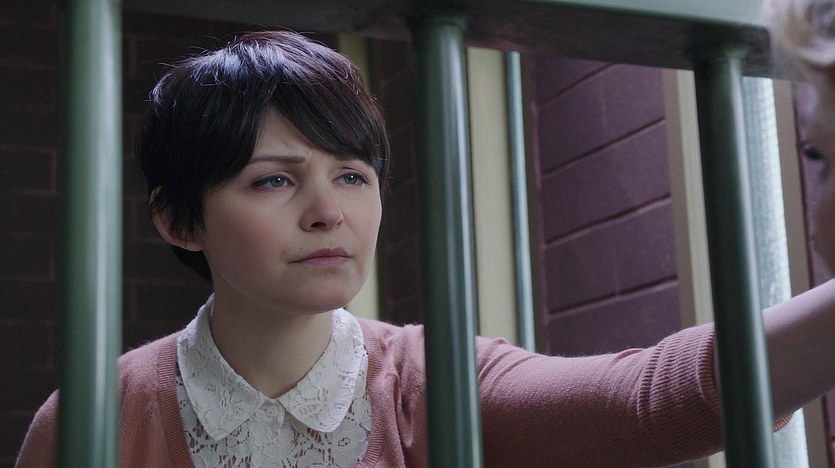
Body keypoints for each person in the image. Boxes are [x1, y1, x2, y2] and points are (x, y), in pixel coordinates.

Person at [12, 20, 835, 466]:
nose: (327, 212)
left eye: (352, 174)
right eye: (272, 180)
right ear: (176, 218)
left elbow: (654, 398)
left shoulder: (433, 379)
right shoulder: (93, 419)